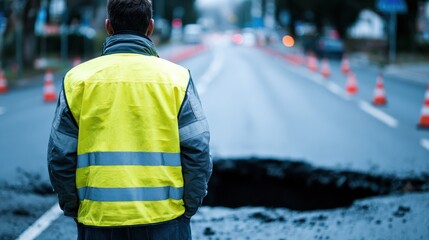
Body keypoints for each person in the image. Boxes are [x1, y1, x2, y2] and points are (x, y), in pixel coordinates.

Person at [47, 0, 212, 239]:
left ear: (108, 26)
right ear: (150, 27)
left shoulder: (78, 80)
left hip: (98, 222)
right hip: (164, 221)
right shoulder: (177, 79)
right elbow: (198, 151)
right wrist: (188, 208)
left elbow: (60, 155)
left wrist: (75, 208)